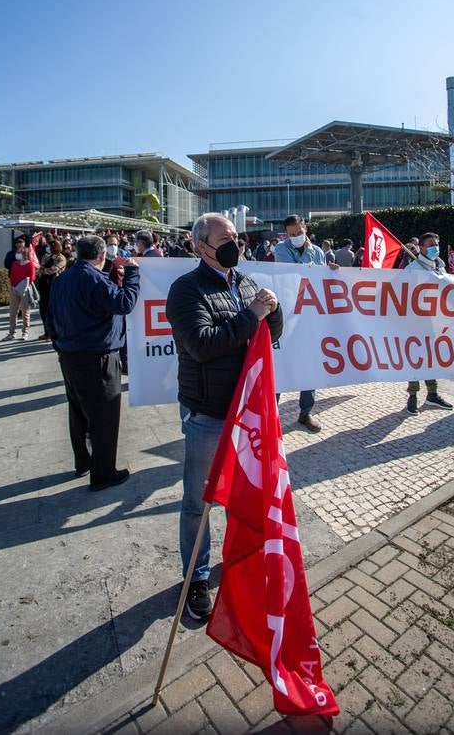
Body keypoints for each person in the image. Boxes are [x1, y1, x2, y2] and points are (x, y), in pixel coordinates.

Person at [166, 213, 283, 620]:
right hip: (209, 413)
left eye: (236, 236)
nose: (236, 243)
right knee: (199, 501)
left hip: (248, 411)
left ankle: (238, 561)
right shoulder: (185, 290)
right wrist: (251, 314)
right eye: (224, 238)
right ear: (201, 246)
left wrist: (273, 310)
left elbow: (271, 336)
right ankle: (195, 578)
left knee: (242, 496)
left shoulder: (246, 282)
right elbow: (203, 344)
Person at [46, 235, 140, 489]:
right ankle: (104, 473)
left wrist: (59, 344)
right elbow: (124, 303)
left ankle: (83, 462)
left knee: (78, 412)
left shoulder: (63, 278)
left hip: (69, 355)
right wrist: (132, 274)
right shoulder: (94, 279)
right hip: (97, 356)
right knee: (104, 417)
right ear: (102, 255)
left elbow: (51, 316)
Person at [274, 215, 338, 432]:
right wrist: (313, 264)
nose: (295, 237)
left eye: (298, 233)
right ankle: (270, 414)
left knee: (310, 365)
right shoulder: (281, 250)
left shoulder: (319, 252)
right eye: (291, 235)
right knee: (281, 364)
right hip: (287, 316)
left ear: (304, 228)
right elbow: (295, 274)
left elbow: (319, 281)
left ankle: (306, 412)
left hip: (309, 316)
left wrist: (330, 271)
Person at [404, 232, 453, 414]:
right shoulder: (412, 269)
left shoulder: (440, 266)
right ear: (422, 248)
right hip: (416, 323)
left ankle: (432, 393)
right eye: (431, 244)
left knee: (432, 358)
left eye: (437, 244)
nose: (435, 248)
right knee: (415, 359)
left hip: (436, 322)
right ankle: (413, 396)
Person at [4, 243, 37, 341]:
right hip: (14, 290)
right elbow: (12, 276)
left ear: (24, 253)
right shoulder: (14, 264)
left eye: (19, 252)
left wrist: (23, 286)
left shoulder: (30, 264)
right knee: (13, 312)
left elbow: (32, 278)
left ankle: (25, 333)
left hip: (24, 290)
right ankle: (11, 333)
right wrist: (12, 286)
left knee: (25, 312)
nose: (17, 254)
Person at [38, 239, 66, 341]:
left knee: (53, 311)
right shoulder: (46, 256)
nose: (47, 248)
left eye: (49, 246)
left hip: (54, 286)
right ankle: (46, 332)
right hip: (44, 285)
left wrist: (44, 270)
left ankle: (54, 333)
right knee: (43, 310)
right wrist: (44, 270)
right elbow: (40, 267)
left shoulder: (61, 258)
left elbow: (54, 269)